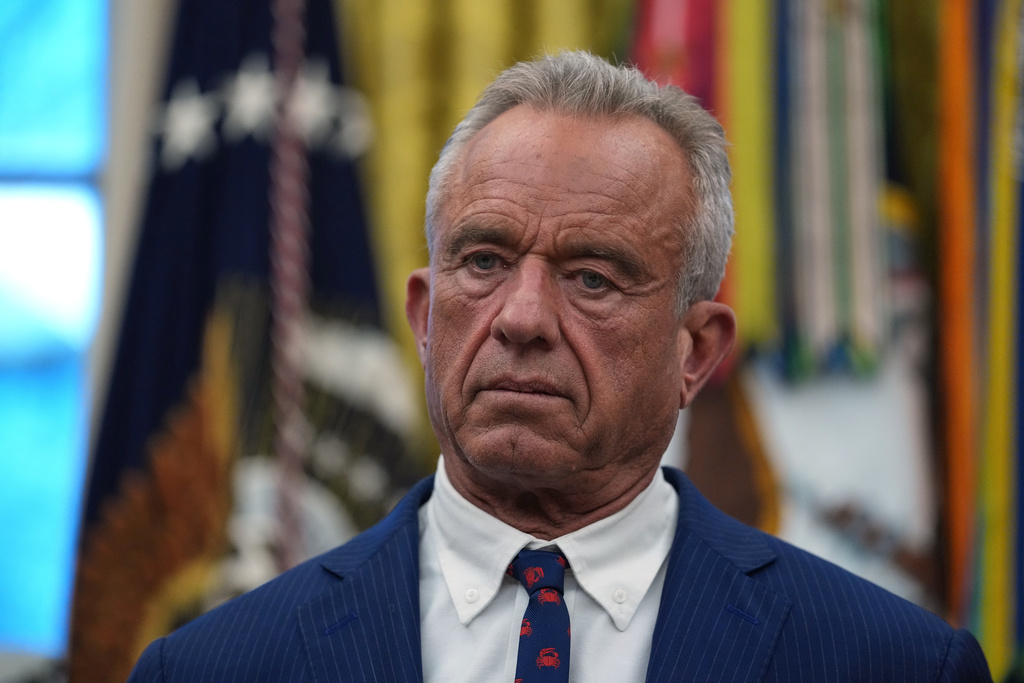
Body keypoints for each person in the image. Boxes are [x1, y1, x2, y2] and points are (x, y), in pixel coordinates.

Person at [128, 51, 991, 682]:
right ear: (425, 318)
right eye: (484, 261)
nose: (523, 318)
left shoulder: (893, 664)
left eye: (591, 276)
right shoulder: (213, 667)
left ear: (696, 351)